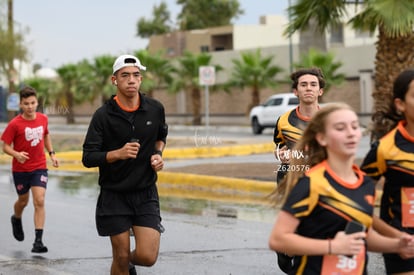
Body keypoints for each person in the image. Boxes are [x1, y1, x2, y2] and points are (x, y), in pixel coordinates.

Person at [268, 103, 414, 275]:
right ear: (321, 138)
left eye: (354, 126)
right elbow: (278, 240)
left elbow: (361, 235)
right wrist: (332, 247)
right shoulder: (311, 183)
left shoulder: (365, 184)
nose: (350, 133)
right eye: (340, 128)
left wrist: (397, 244)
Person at [82, 54, 168, 275]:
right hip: (114, 194)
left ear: (141, 79)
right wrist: (117, 154)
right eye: (125, 75)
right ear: (114, 80)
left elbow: (161, 137)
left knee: (147, 257)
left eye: (136, 75)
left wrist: (158, 154)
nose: (132, 80)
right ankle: (121, 263)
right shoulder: (102, 116)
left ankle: (124, 264)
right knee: (119, 255)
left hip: (145, 192)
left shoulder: (155, 109)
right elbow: (88, 157)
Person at [361, 69, 414, 274]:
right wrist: (394, 237)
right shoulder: (385, 148)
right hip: (405, 247)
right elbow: (355, 200)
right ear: (400, 104)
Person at [272, 67, 324, 272]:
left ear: (320, 91)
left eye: (313, 85)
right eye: (303, 85)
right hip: (290, 181)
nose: (308, 88)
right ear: (296, 91)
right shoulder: (284, 121)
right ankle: (285, 253)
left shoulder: (330, 119)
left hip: (322, 182)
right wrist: (280, 154)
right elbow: (278, 146)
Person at [1, 86, 59, 253]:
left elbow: (46, 135)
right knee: (23, 201)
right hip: (20, 169)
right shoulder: (14, 124)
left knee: (39, 200)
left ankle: (38, 241)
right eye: (26, 103)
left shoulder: (43, 119)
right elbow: (5, 147)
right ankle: (16, 218)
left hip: (39, 166)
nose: (30, 106)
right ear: (21, 104)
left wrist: (52, 154)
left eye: (32, 103)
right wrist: (16, 154)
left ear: (37, 102)